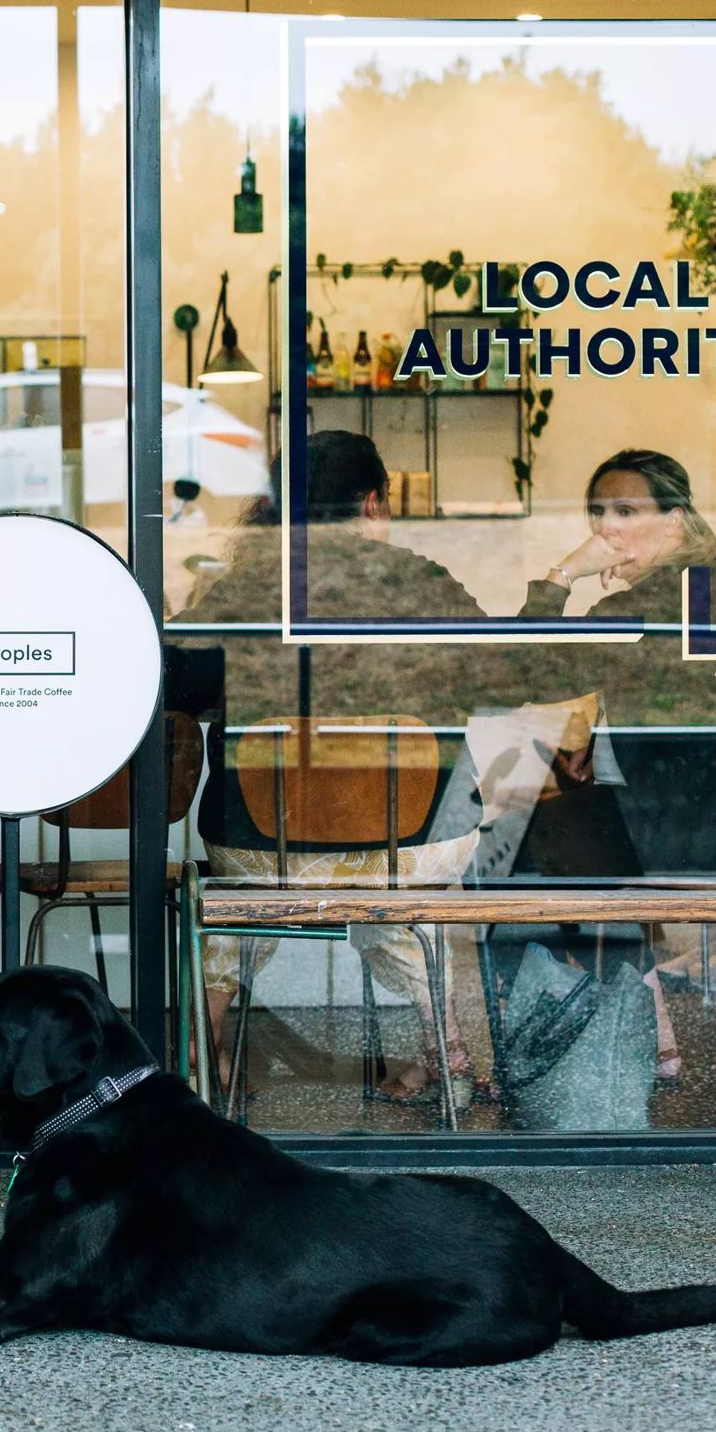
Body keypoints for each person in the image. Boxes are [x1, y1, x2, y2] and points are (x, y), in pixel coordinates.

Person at [172, 430, 502, 1108]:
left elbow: (177, 684)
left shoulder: (244, 592)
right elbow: (493, 679)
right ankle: (446, 1045)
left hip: (265, 849)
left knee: (229, 904)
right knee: (414, 890)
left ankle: (203, 1055)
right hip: (412, 848)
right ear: (375, 504)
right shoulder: (424, 583)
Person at [520, 449, 716, 1072]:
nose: (606, 528)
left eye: (626, 511)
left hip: (690, 835)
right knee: (568, 817)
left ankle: (650, 1023)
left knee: (544, 829)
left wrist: (561, 576)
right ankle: (649, 1007)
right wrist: (594, 739)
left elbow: (519, 669)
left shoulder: (635, 608)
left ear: (675, 522)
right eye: (598, 512)